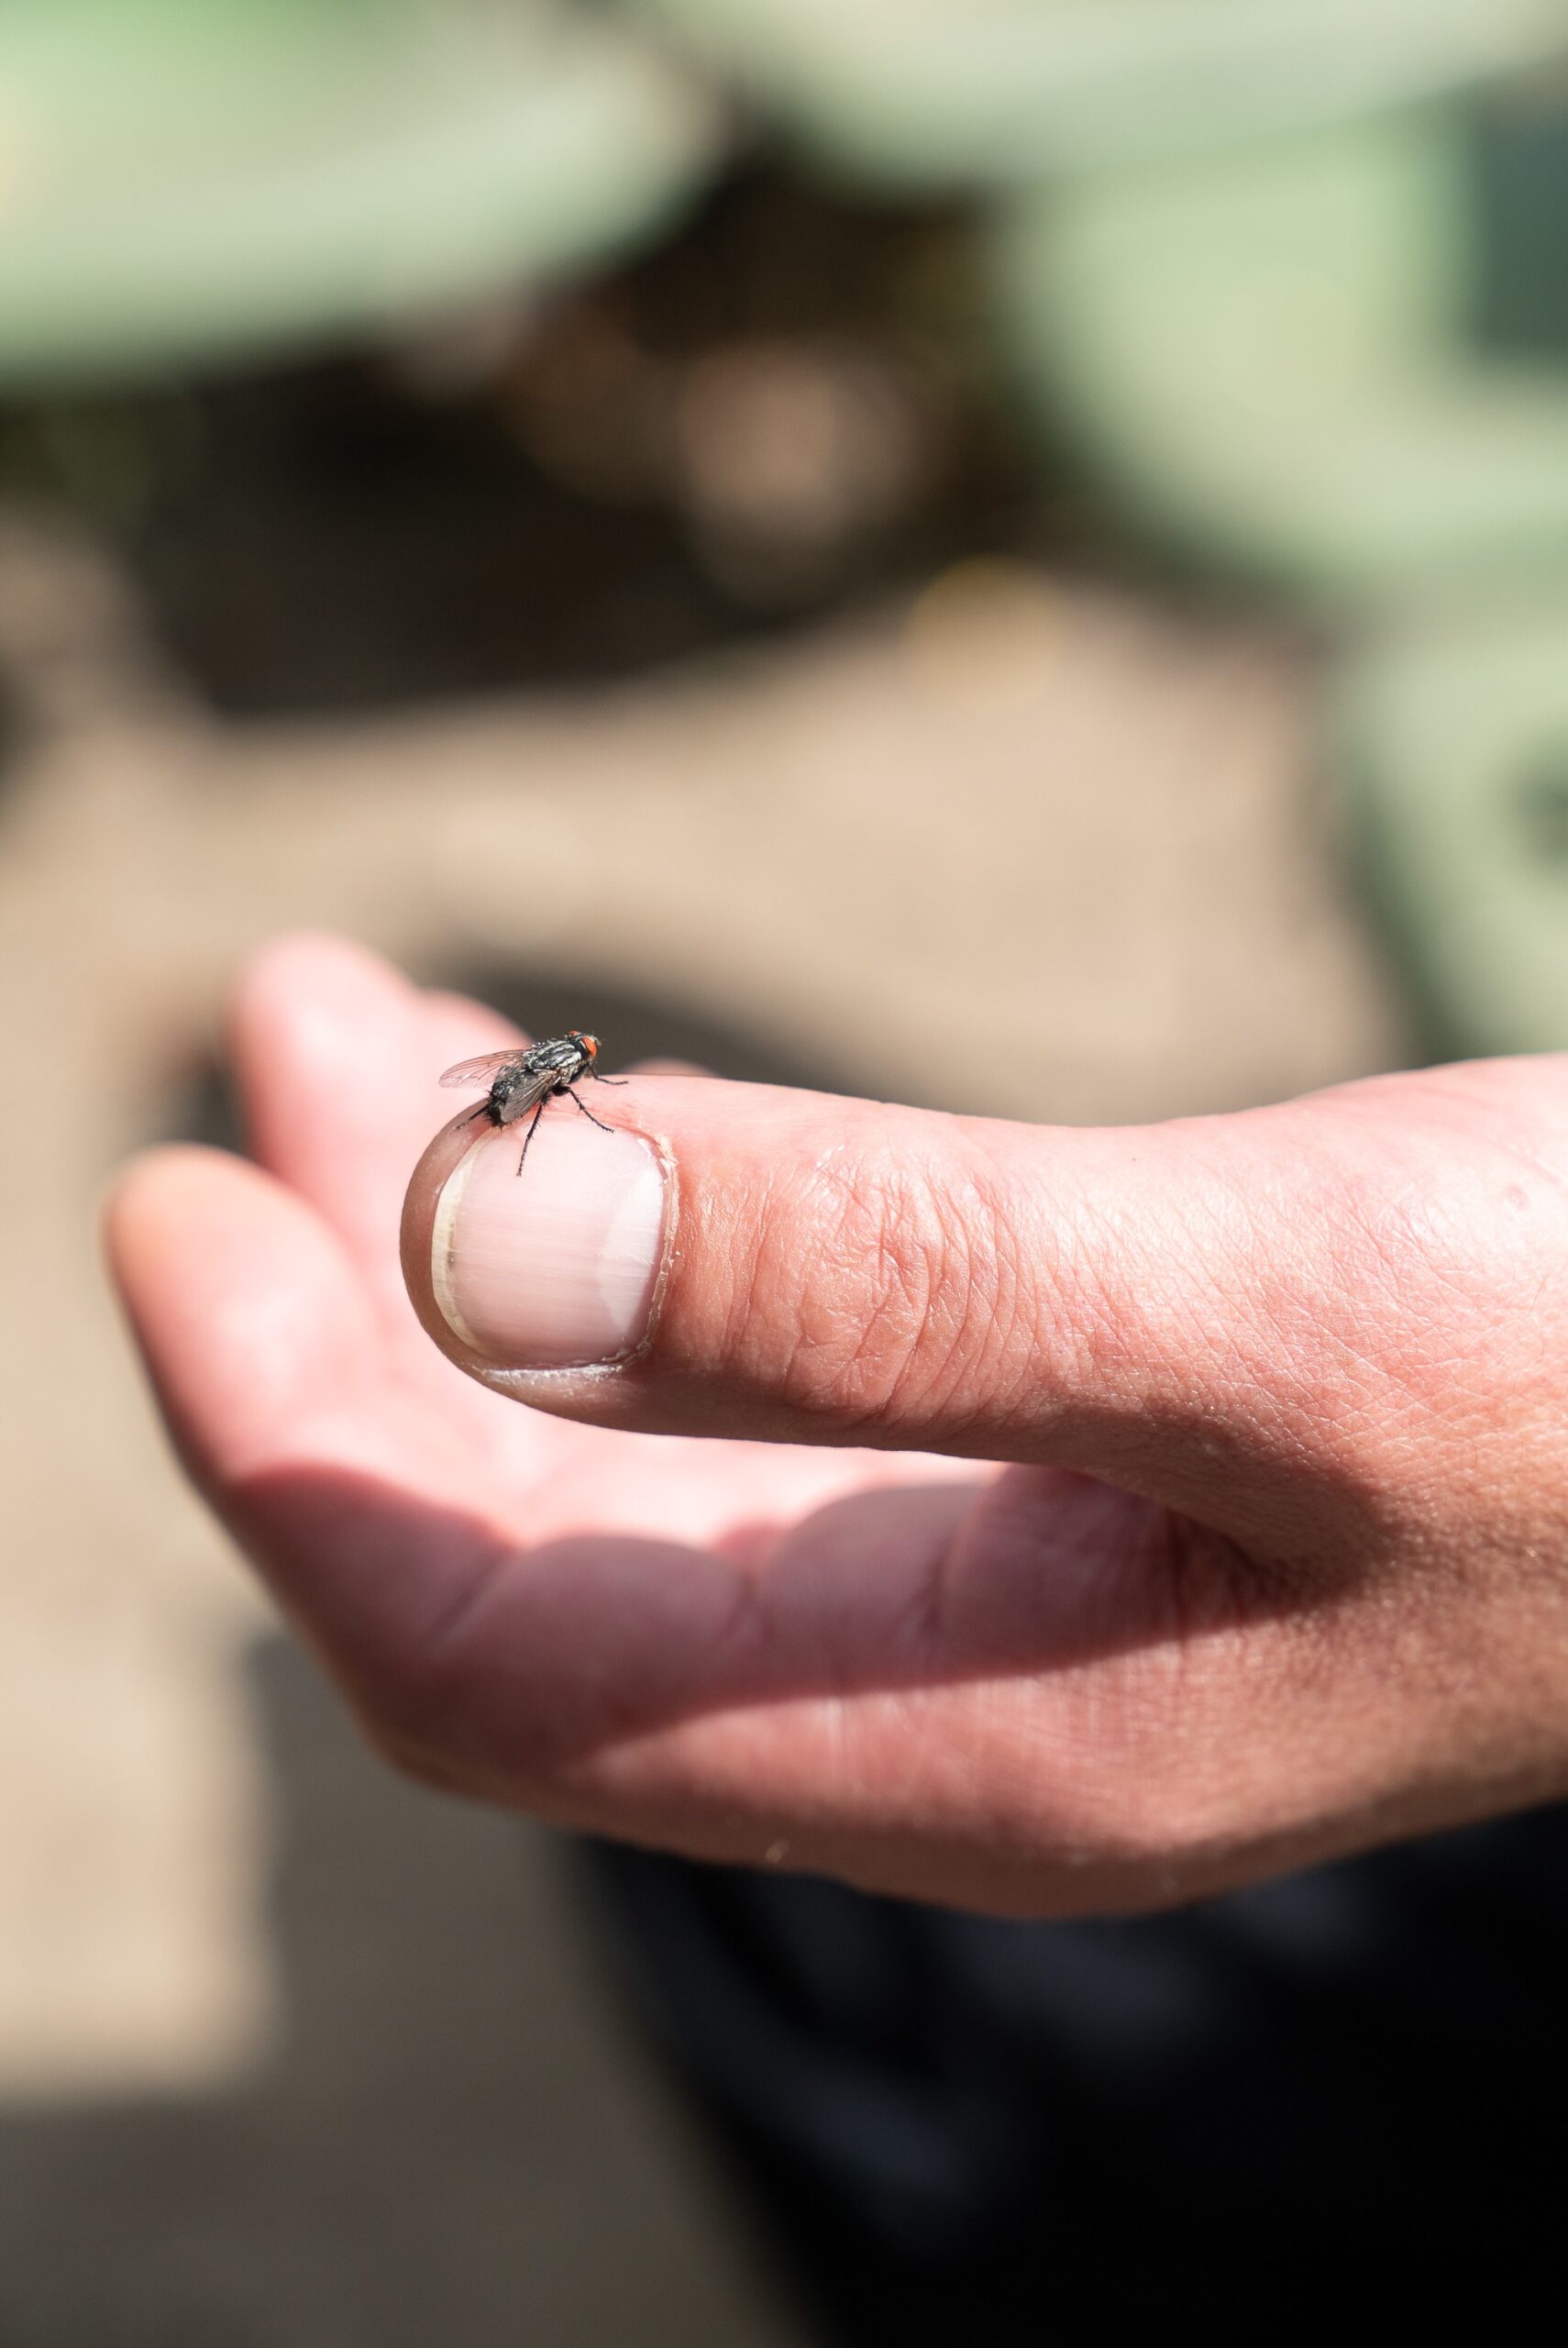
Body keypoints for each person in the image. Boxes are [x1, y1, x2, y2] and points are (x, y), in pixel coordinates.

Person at [108, 931, 1568, 2330]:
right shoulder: (553, 1088)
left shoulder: (546, 1090)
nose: (564, 1077)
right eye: (570, 1070)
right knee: (769, 1762)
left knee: (792, 1837)